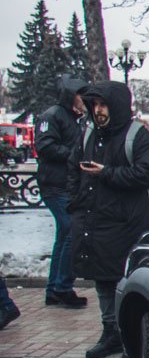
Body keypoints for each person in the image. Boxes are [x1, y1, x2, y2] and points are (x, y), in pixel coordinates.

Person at [68, 81, 149, 358]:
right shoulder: (89, 135)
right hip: (94, 219)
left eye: (103, 104)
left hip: (127, 222)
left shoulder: (137, 136)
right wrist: (74, 203)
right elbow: (73, 168)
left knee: (125, 278)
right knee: (102, 279)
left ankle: (128, 334)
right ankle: (111, 333)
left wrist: (106, 172)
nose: (98, 110)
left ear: (117, 106)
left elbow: (146, 174)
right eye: (94, 105)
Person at [34, 75, 89, 308]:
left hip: (64, 185)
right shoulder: (52, 116)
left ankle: (54, 290)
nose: (84, 100)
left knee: (64, 234)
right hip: (55, 185)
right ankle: (62, 287)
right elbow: (45, 146)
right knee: (70, 231)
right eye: (80, 96)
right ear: (70, 96)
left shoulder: (77, 119)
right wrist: (76, 155)